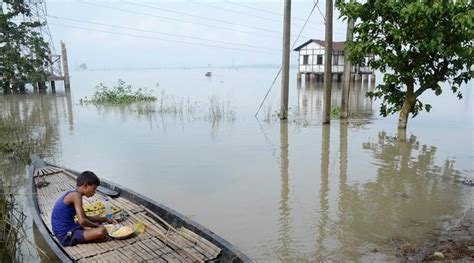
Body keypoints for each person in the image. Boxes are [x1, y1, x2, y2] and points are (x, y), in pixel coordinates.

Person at [51, 171, 117, 246]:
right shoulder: (76, 196)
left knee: (98, 223)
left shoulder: (73, 193)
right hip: (65, 235)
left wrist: (105, 219)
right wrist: (98, 227)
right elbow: (82, 221)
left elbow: (85, 217)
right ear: (85, 186)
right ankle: (95, 238)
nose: (94, 192)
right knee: (101, 231)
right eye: (94, 189)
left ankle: (91, 234)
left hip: (71, 228)